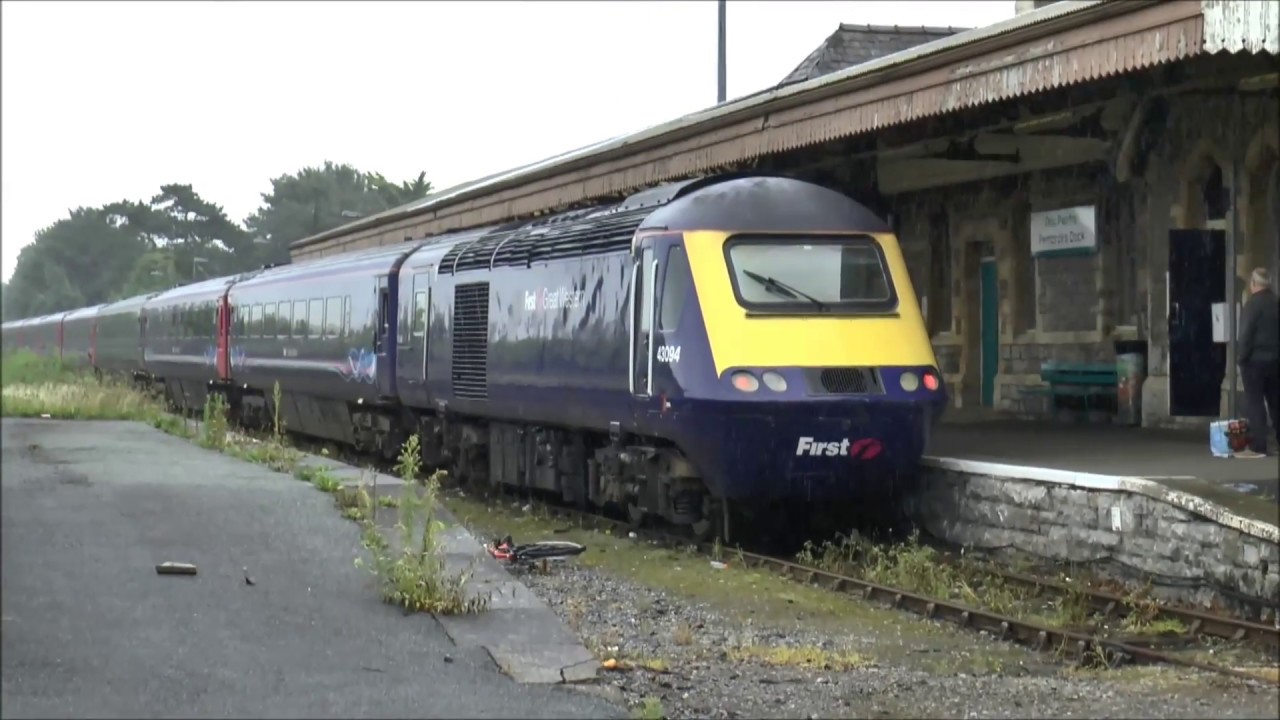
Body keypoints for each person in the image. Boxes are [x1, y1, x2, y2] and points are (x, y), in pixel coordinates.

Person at [1235, 267, 1279, 458]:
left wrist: (1241, 358)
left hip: (1254, 361)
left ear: (1253, 284)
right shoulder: (1276, 303)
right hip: (1276, 361)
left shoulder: (1252, 305)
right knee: (1276, 403)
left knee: (1255, 403)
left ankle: (1259, 445)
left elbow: (1245, 334)